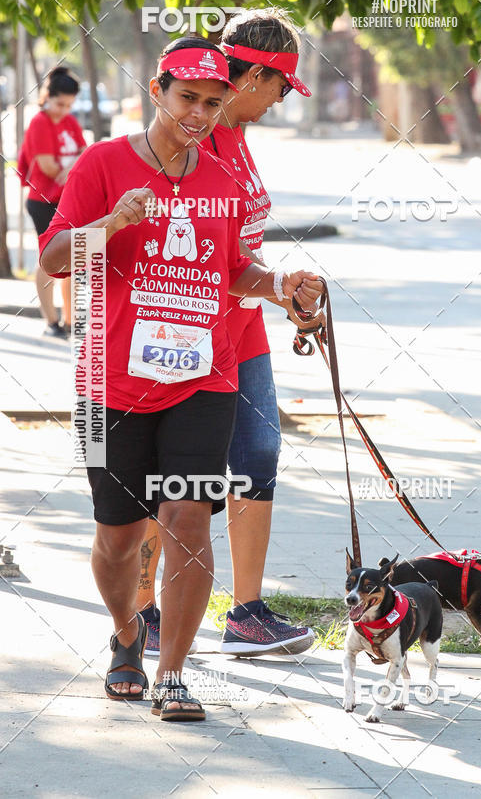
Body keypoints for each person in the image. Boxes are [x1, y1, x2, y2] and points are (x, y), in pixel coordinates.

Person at [39, 36, 323, 722]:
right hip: (110, 382)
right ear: (158, 90)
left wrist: (282, 285)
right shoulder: (104, 164)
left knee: (187, 517)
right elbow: (52, 258)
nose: (199, 113)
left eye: (212, 102)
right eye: (188, 98)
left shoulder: (221, 181)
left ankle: (173, 675)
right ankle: (129, 633)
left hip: (204, 378)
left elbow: (234, 272)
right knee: (119, 537)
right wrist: (111, 222)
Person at [136, 10, 319, 658]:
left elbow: (239, 246)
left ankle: (246, 612)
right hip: (188, 328)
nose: (277, 101)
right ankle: (141, 612)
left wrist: (283, 289)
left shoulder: (236, 133)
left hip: (242, 328)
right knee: (179, 470)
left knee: (259, 456)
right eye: (278, 87)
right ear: (256, 75)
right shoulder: (188, 136)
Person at [18, 66, 86, 337]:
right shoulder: (40, 122)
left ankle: (71, 322)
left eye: (69, 105)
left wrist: (67, 167)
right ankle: (51, 322)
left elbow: (85, 153)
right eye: (60, 104)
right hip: (42, 200)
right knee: (49, 260)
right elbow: (47, 167)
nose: (64, 111)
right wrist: (73, 164)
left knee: (72, 260)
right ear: (48, 97)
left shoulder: (70, 122)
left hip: (65, 199)